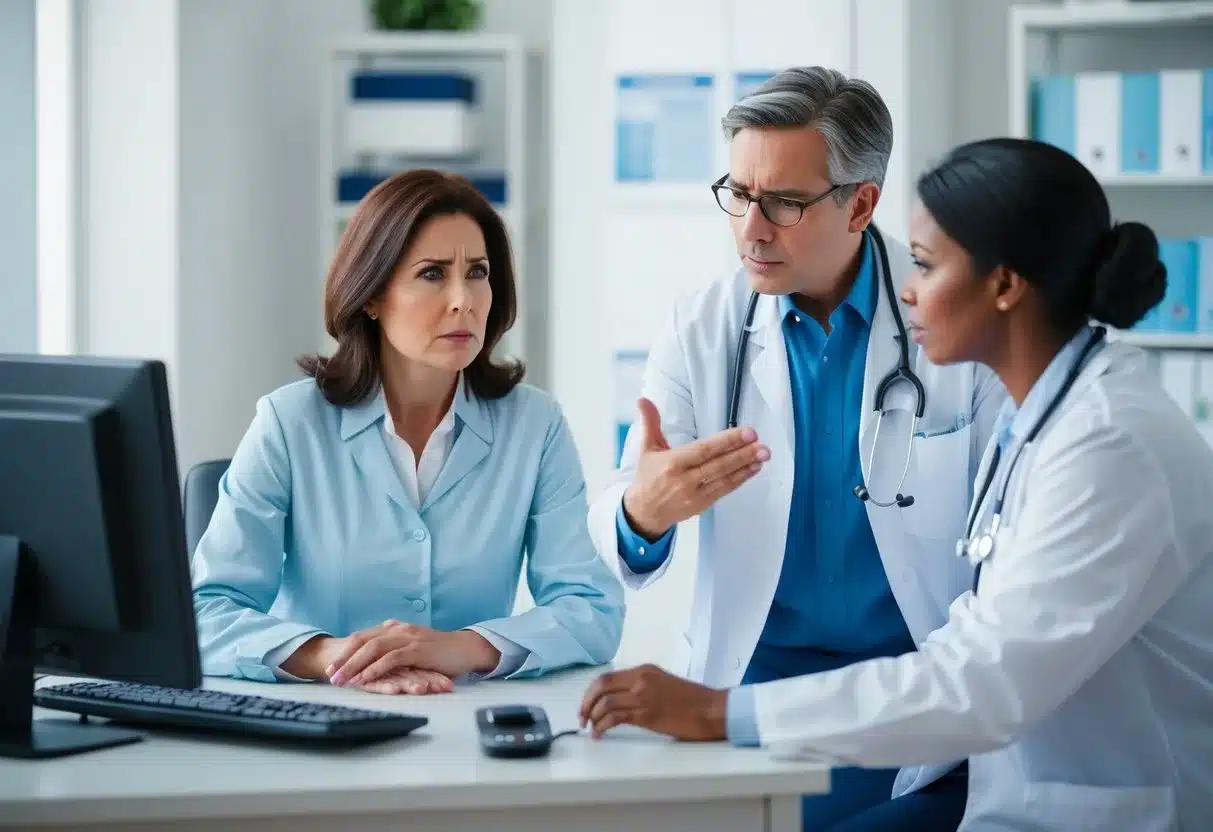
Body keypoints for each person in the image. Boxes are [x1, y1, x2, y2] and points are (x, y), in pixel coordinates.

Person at [580, 136, 1213, 830]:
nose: (904, 288)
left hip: (1095, 806)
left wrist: (714, 711)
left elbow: (984, 681)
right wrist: (644, 511)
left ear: (1003, 285)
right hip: (992, 775)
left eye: (925, 264)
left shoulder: (1107, 446)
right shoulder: (1043, 420)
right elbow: (980, 635)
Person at [584, 66, 1006, 828]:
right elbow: (625, 505)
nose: (751, 226)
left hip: (914, 712)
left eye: (782, 201)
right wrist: (643, 516)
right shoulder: (701, 327)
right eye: (739, 195)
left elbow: (1009, 548)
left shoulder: (951, 320)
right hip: (748, 703)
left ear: (862, 204)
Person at [192, 169, 625, 694]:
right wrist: (335, 655)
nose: (463, 299)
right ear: (372, 295)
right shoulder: (289, 423)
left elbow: (592, 609)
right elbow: (205, 613)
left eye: (478, 272)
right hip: (322, 719)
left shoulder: (536, 426)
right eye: (432, 274)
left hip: (464, 722)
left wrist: (460, 647)